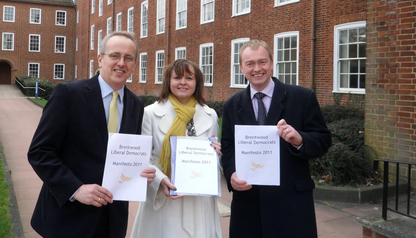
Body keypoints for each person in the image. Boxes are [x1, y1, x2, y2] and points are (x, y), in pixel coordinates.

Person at [28, 31, 155, 238]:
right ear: (100, 59)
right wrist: (75, 189)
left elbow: (126, 155)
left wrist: (140, 174)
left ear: (134, 64)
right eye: (115, 56)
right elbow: (40, 152)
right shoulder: (68, 95)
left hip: (112, 218)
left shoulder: (136, 105)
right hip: (68, 217)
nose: (121, 63)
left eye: (128, 58)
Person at [221, 39, 331, 238]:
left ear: (272, 63)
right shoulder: (231, 105)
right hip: (248, 207)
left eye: (262, 62)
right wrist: (231, 175)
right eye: (250, 63)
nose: (257, 69)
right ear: (241, 67)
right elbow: (228, 148)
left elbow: (323, 140)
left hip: (291, 205)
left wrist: (300, 140)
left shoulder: (302, 97)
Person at [131, 59, 223, 238]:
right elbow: (143, 158)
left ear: (197, 83)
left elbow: (214, 162)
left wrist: (216, 154)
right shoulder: (150, 113)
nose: (183, 82)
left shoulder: (210, 115)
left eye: (189, 78)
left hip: (198, 200)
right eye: (177, 77)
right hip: (163, 197)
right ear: (168, 81)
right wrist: (161, 180)